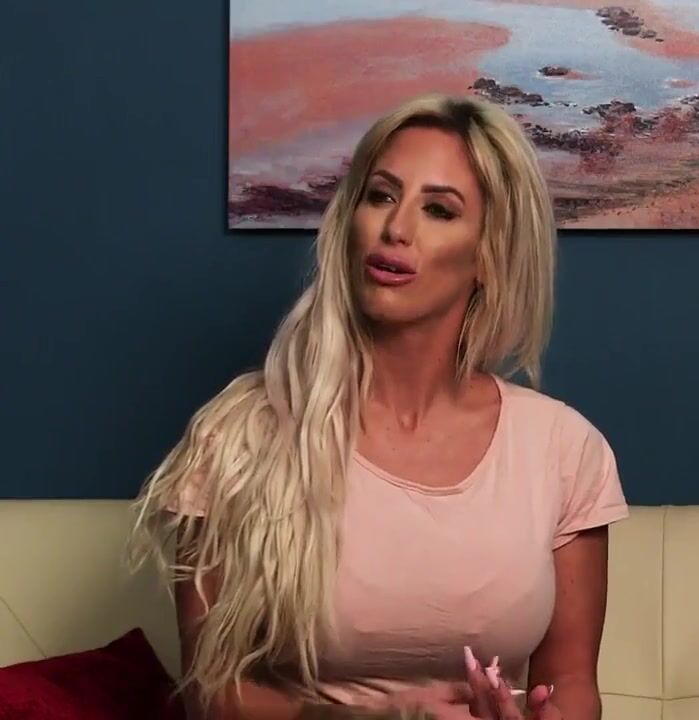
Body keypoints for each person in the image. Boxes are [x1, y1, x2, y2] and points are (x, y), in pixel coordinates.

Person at [130, 93, 629, 720]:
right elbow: (212, 693)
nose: (396, 228)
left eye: (439, 210)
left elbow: (572, 682)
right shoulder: (238, 436)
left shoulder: (563, 448)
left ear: (489, 255)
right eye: (380, 195)